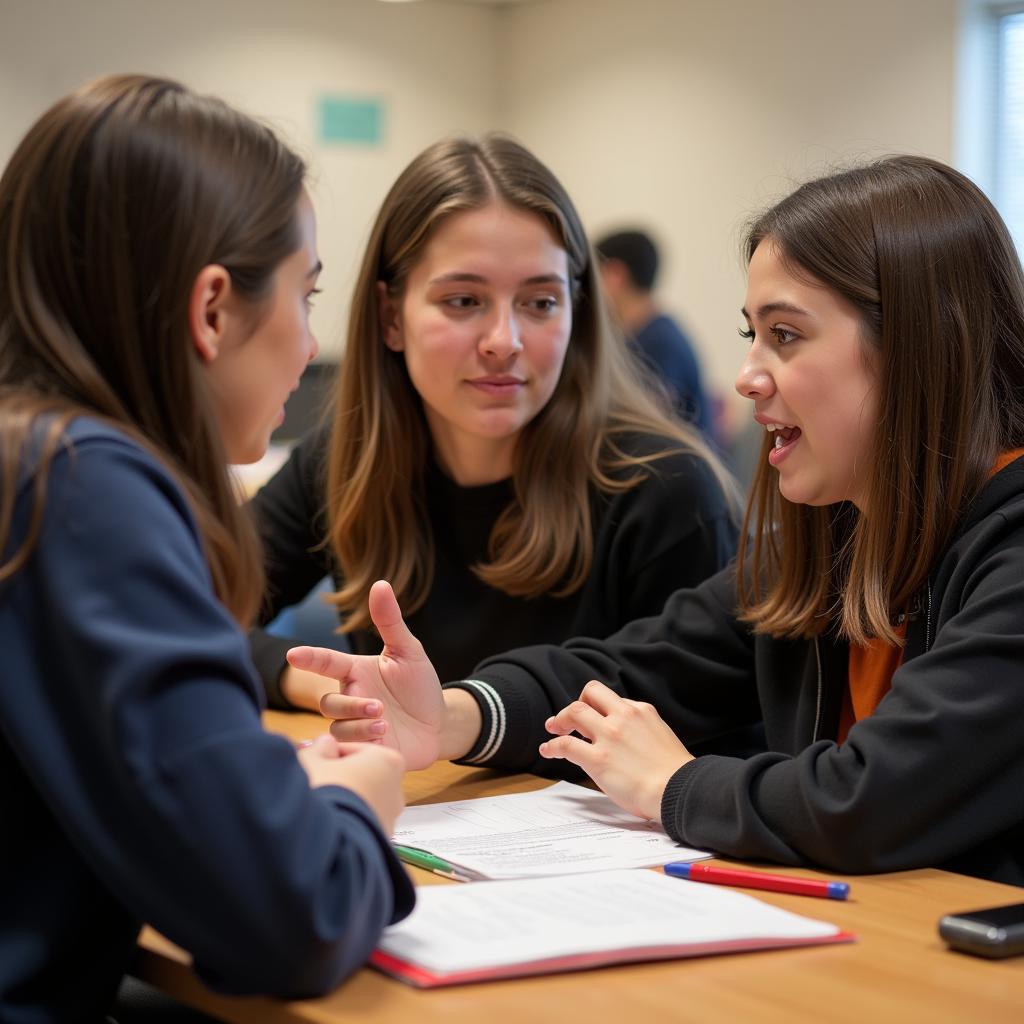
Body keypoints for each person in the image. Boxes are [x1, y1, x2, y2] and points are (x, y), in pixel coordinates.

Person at [303, 155, 1024, 887]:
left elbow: (873, 798)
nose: (747, 375)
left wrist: (674, 784)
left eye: (785, 335)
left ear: (917, 344)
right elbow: (630, 669)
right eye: (753, 334)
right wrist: (456, 716)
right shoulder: (839, 537)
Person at [0, 75, 414, 1022]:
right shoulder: (81, 486)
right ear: (214, 309)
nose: (310, 346)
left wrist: (259, 788)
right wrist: (362, 802)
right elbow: (290, 914)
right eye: (304, 297)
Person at [250, 136, 739, 714]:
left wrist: (444, 718)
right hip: (401, 800)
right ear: (390, 318)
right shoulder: (343, 461)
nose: (503, 342)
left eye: (540, 303)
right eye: (463, 301)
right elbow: (171, 614)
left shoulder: (666, 489)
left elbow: (713, 727)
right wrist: (322, 685)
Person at [595, 228, 711, 435]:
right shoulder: (643, 333)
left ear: (615, 275)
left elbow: (638, 429)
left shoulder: (661, 342)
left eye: (594, 276)